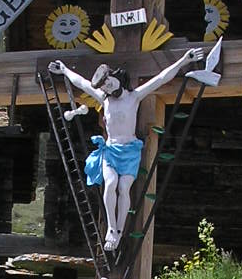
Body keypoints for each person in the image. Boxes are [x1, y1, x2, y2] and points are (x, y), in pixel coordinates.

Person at [48, 48, 204, 250]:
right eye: (105, 85)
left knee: (123, 188)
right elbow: (82, 83)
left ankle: (119, 231)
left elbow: (161, 78)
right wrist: (64, 70)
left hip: (130, 152)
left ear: (115, 76)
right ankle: (111, 229)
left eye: (109, 80)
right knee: (110, 183)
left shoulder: (134, 97)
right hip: (111, 150)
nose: (108, 85)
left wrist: (183, 60)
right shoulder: (104, 99)